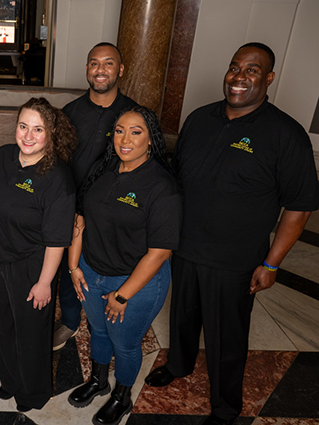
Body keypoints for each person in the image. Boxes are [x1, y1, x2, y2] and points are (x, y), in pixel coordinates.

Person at [144, 42, 318, 425]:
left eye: (252, 70)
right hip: (185, 247)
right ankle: (179, 364)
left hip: (235, 260)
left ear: (269, 78)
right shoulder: (199, 118)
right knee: (183, 318)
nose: (240, 76)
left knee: (227, 337)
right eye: (235, 67)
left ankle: (226, 406)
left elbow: (300, 206)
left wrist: (271, 262)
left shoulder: (285, 135)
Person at [67, 106, 182, 425]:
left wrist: (122, 296)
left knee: (125, 343)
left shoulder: (162, 187)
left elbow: (159, 253)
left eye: (136, 131)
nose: (125, 139)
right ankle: (98, 381)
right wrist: (74, 265)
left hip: (135, 284)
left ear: (151, 139)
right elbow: (80, 218)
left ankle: (122, 396)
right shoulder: (102, 169)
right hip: (91, 271)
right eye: (119, 130)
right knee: (98, 332)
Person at [0, 97, 77, 411]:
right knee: (6, 325)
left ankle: (32, 393)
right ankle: (10, 380)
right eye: (23, 126)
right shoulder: (3, 155)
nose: (28, 135)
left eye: (38, 129)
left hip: (32, 266)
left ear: (51, 134)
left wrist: (45, 282)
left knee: (32, 333)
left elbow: (57, 240)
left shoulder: (57, 178)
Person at [54, 42, 137, 351]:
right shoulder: (70, 113)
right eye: (94, 63)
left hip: (111, 211)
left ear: (121, 70)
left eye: (108, 63)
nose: (100, 70)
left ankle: (104, 324)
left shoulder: (133, 114)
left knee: (103, 265)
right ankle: (71, 322)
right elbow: (56, 161)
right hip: (72, 207)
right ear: (87, 68)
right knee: (68, 268)